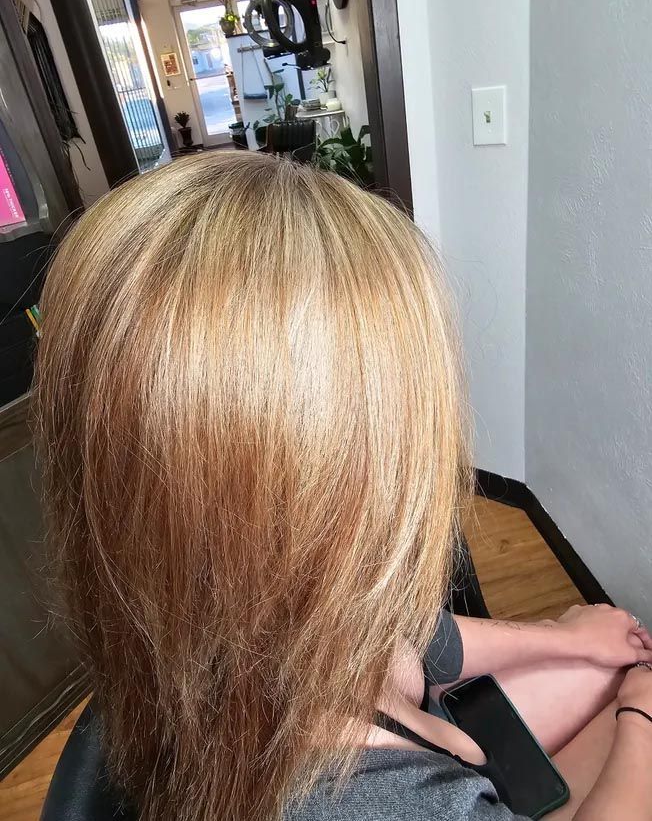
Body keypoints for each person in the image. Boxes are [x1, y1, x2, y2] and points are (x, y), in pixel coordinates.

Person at [35, 151, 652, 821]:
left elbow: (422, 638)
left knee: (602, 671)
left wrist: (567, 635)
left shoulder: (229, 622)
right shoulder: (364, 805)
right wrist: (640, 720)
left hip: (423, 739)